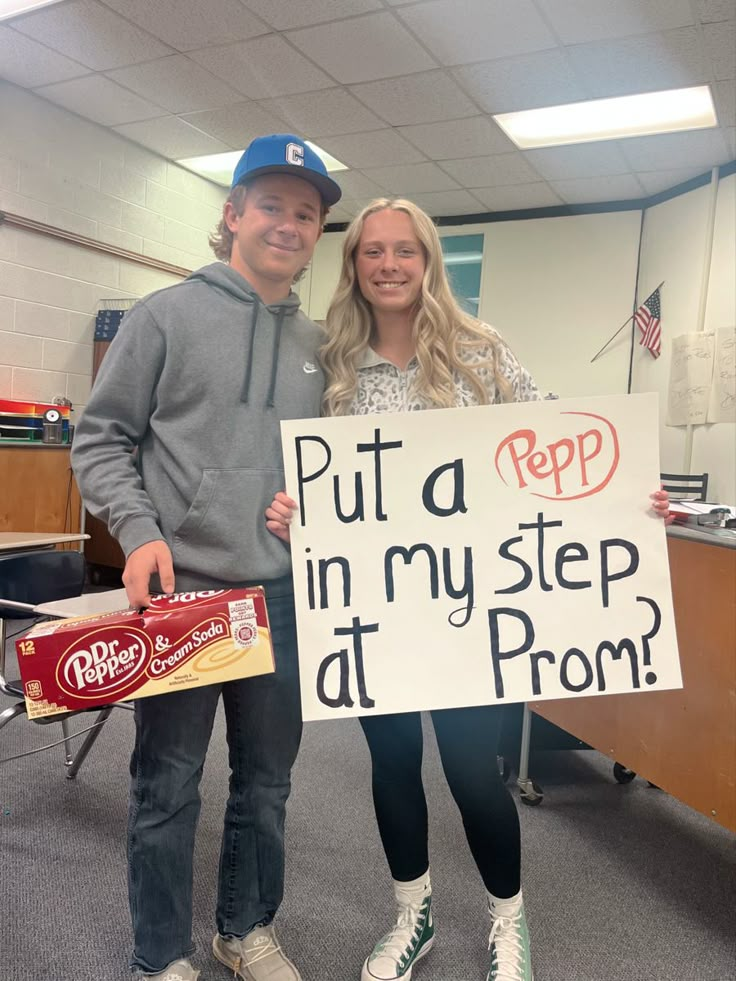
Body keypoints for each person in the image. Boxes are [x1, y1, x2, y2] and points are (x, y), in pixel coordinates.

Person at [265, 198, 672, 981]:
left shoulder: (480, 354)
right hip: (376, 610)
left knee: (467, 767)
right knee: (391, 761)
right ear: (353, 266)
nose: (388, 265)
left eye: (404, 250)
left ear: (428, 261)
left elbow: (561, 439)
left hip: (467, 613)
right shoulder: (336, 367)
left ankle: (507, 920)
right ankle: (411, 915)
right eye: (371, 251)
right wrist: (296, 509)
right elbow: (326, 482)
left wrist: (627, 491)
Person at [71, 134, 342, 981]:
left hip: (283, 600)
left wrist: (321, 515)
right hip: (186, 593)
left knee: (266, 787)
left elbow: (347, 471)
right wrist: (141, 530)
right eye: (272, 205)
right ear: (231, 216)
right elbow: (101, 438)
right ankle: (161, 954)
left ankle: (244, 927)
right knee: (168, 784)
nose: (288, 225)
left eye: (307, 213)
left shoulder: (327, 348)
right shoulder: (164, 317)